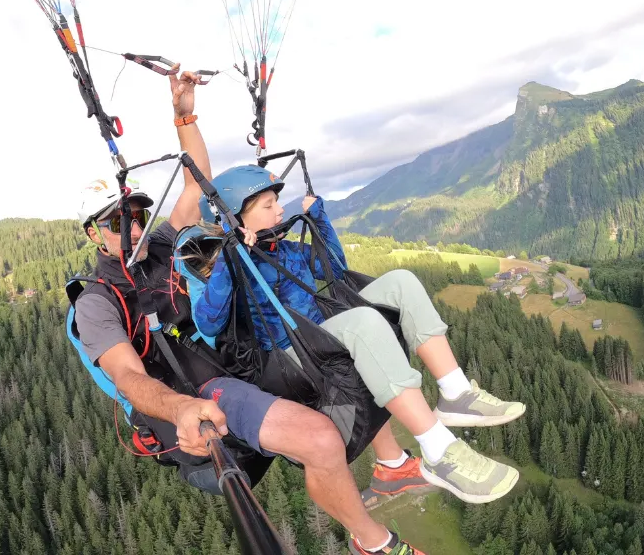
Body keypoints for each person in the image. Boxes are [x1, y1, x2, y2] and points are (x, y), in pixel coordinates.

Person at [69, 68, 426, 555]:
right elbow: (129, 378)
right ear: (94, 232)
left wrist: (184, 114)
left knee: (339, 345)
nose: (131, 226)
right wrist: (181, 408)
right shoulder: (97, 303)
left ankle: (393, 465)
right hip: (195, 390)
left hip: (233, 355)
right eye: (116, 221)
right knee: (320, 440)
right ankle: (377, 545)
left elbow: (196, 183)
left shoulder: (158, 247)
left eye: (135, 214)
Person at [192, 165, 526, 505]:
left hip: (317, 333)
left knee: (401, 282)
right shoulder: (229, 267)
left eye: (276, 201)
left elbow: (334, 269)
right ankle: (439, 450)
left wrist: (320, 220)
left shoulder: (285, 250)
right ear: (235, 220)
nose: (280, 209)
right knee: (363, 323)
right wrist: (229, 260)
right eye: (267, 205)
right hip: (288, 358)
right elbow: (208, 323)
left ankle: (455, 391)